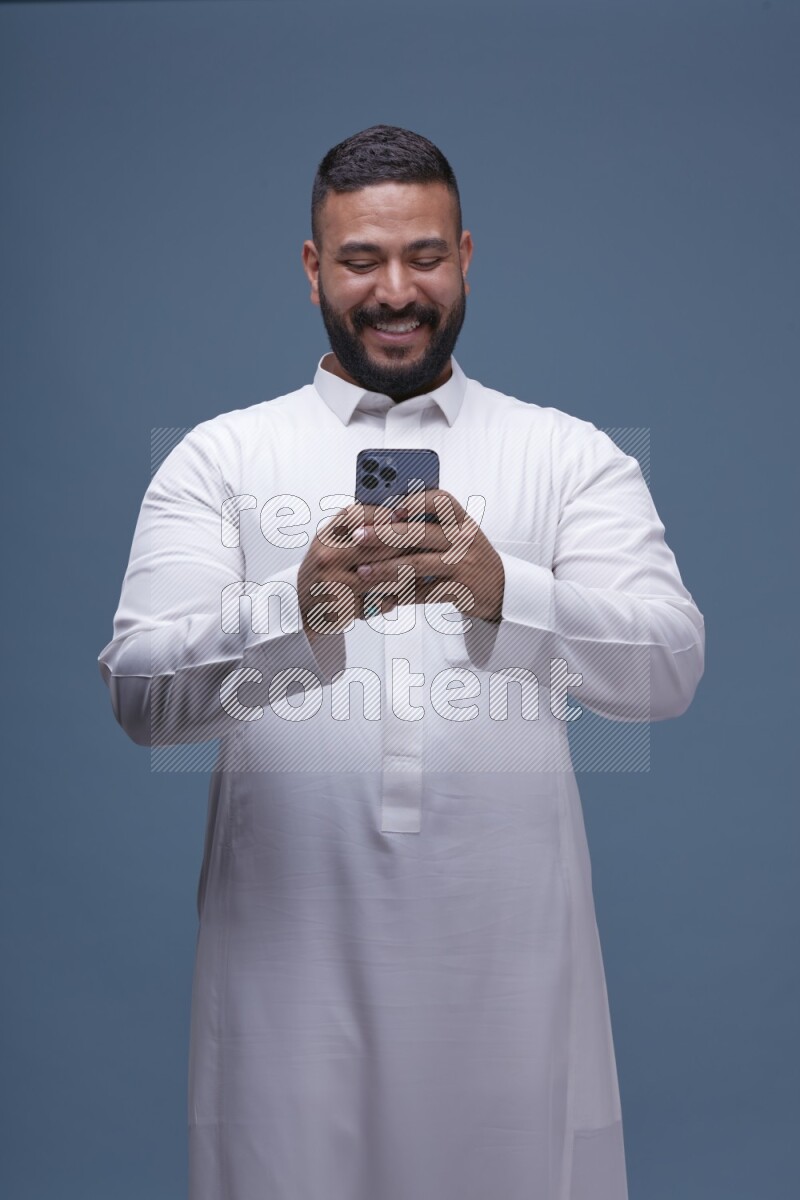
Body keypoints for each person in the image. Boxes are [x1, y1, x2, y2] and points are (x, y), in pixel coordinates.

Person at [99, 125, 704, 1200]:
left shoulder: (566, 455)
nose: (394, 290)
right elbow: (143, 693)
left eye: (422, 255)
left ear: (465, 257)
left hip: (514, 985)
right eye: (360, 259)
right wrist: (297, 607)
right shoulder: (221, 456)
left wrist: (499, 590)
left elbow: (665, 665)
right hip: (285, 989)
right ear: (311, 268)